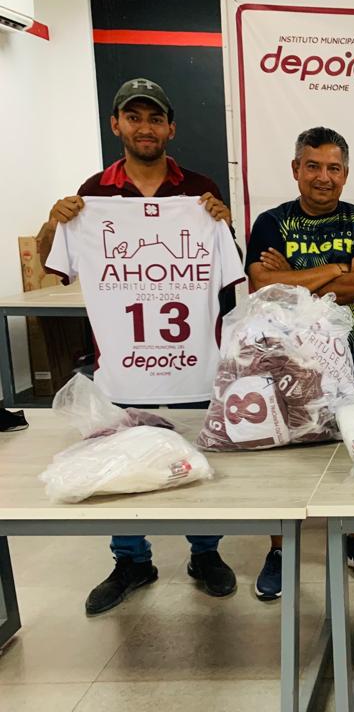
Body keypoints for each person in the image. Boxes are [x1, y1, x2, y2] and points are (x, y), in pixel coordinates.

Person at [44, 78, 238, 614]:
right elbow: (54, 262)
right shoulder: (92, 193)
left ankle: (205, 553)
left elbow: (227, 270)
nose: (145, 127)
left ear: (170, 128)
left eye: (155, 118)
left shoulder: (199, 190)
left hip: (192, 365)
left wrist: (223, 223)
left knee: (197, 461)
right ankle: (131, 560)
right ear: (117, 125)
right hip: (122, 368)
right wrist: (55, 221)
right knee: (118, 463)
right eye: (134, 117)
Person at [245, 126, 354, 598]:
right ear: (296, 169)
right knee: (281, 463)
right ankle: (280, 550)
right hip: (284, 364)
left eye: (333, 168)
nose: (323, 177)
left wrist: (291, 276)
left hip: (353, 359)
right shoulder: (271, 222)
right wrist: (333, 268)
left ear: (345, 174)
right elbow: (262, 287)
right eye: (313, 166)